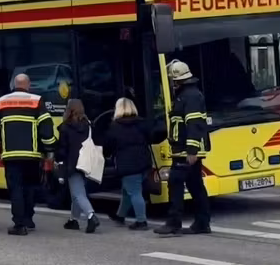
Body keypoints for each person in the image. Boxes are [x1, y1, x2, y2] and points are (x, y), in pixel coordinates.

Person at [0, 73, 56, 236]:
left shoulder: (1, 102)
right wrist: (50, 148)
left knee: (16, 189)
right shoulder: (36, 100)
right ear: (28, 85)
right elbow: (46, 127)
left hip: (11, 156)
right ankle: (28, 219)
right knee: (30, 188)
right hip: (32, 156)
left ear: (14, 84)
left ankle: (19, 225)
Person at [154, 60, 212, 236]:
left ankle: (173, 223)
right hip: (184, 149)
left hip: (186, 151)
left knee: (175, 182)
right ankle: (202, 223)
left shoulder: (190, 97)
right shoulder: (186, 95)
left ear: (177, 80)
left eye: (173, 81)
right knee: (195, 185)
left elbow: (194, 124)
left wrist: (192, 151)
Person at [103, 97, 152, 230]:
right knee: (128, 191)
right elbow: (151, 137)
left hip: (127, 164)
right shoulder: (141, 123)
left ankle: (141, 221)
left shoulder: (115, 126)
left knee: (135, 192)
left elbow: (108, 146)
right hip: (143, 161)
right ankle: (120, 215)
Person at [55, 99, 100, 233]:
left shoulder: (65, 127)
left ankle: (91, 216)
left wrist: (59, 161)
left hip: (72, 163)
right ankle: (73, 220)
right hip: (85, 162)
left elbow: (63, 149)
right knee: (76, 192)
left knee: (78, 193)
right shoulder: (88, 125)